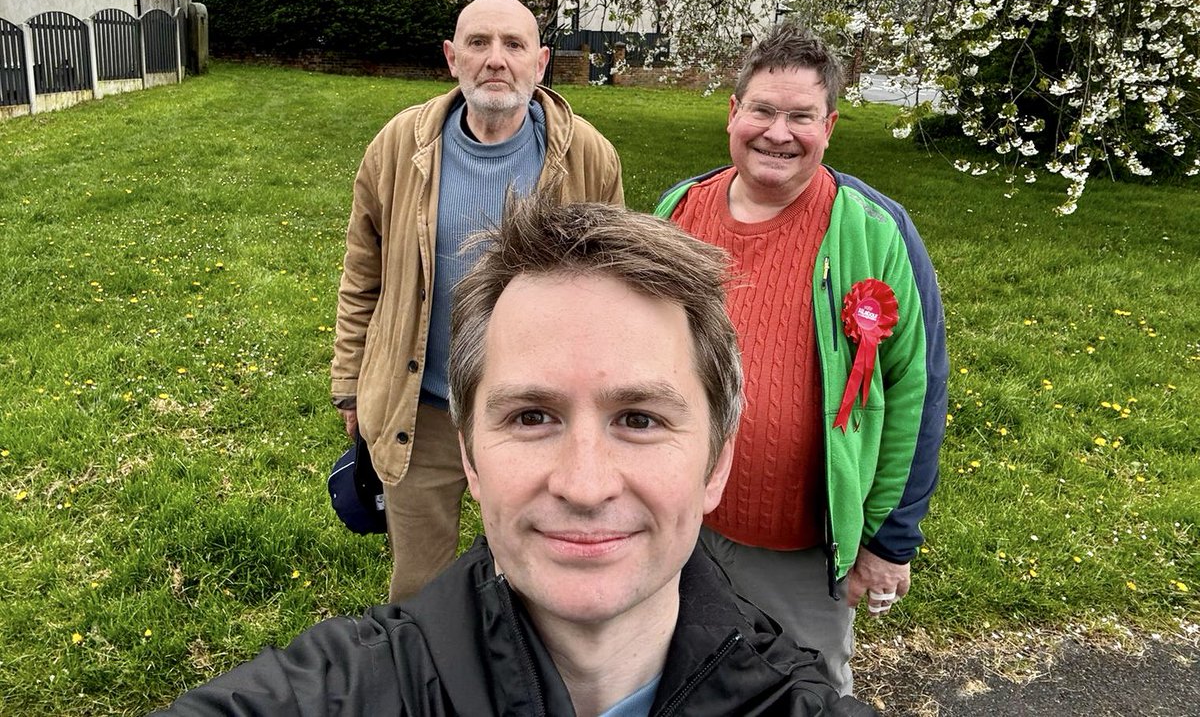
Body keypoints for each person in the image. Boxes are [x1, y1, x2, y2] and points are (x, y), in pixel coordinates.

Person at [153, 198, 876, 716]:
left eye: (640, 418)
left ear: (716, 463)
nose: (585, 484)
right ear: (469, 457)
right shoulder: (351, 689)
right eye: (532, 417)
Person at [654, 22, 948, 695]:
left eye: (800, 116)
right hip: (683, 521)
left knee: (804, 694)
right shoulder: (678, 211)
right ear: (733, 113)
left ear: (830, 125)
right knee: (685, 680)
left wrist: (889, 540)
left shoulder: (875, 231)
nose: (777, 132)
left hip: (801, 548)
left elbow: (917, 388)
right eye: (761, 109)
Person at [331, 0, 623, 602]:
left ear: (540, 62)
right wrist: (352, 383)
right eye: (478, 43)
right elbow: (363, 273)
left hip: (535, 412)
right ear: (451, 57)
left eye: (513, 45)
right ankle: (430, 683)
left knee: (530, 574)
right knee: (419, 585)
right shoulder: (397, 146)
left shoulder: (588, 156)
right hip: (425, 408)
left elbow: (611, 290)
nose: (496, 60)